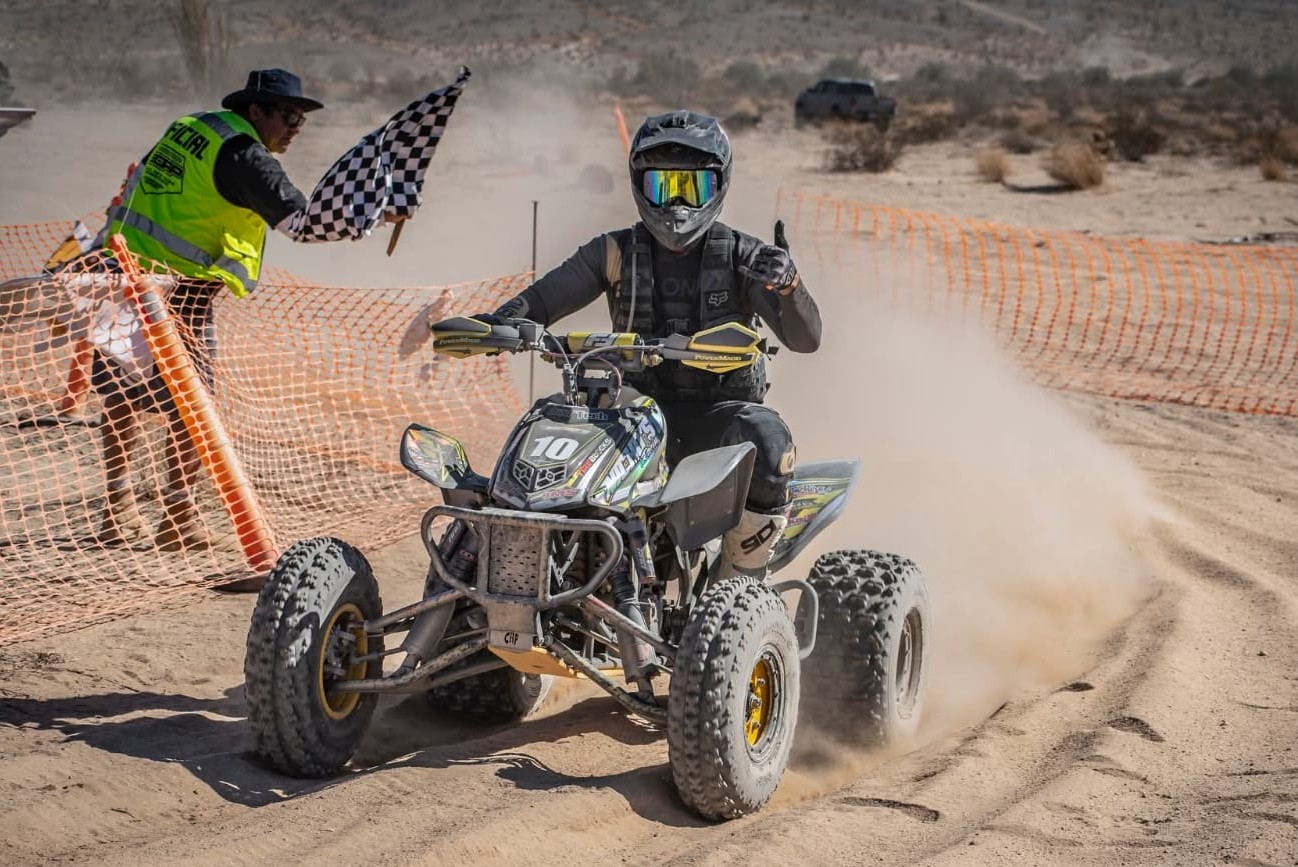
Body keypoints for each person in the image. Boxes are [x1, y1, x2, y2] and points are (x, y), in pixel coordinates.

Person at [475, 110, 822, 576]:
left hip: (717, 418)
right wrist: (498, 324)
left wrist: (790, 285)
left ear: (718, 186)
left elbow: (806, 339)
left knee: (770, 441)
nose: (677, 203)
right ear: (640, 186)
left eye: (691, 188)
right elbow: (541, 301)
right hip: (627, 413)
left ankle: (740, 580)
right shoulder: (613, 252)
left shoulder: (746, 257)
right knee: (546, 421)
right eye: (663, 186)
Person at [95, 68, 323, 550]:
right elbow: (302, 221)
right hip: (178, 294)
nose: (295, 128)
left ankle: (117, 512)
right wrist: (367, 213)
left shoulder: (191, 127)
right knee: (191, 406)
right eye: (287, 116)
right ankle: (177, 521)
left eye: (301, 120)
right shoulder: (243, 153)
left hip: (123, 269)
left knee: (121, 394)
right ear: (256, 111)